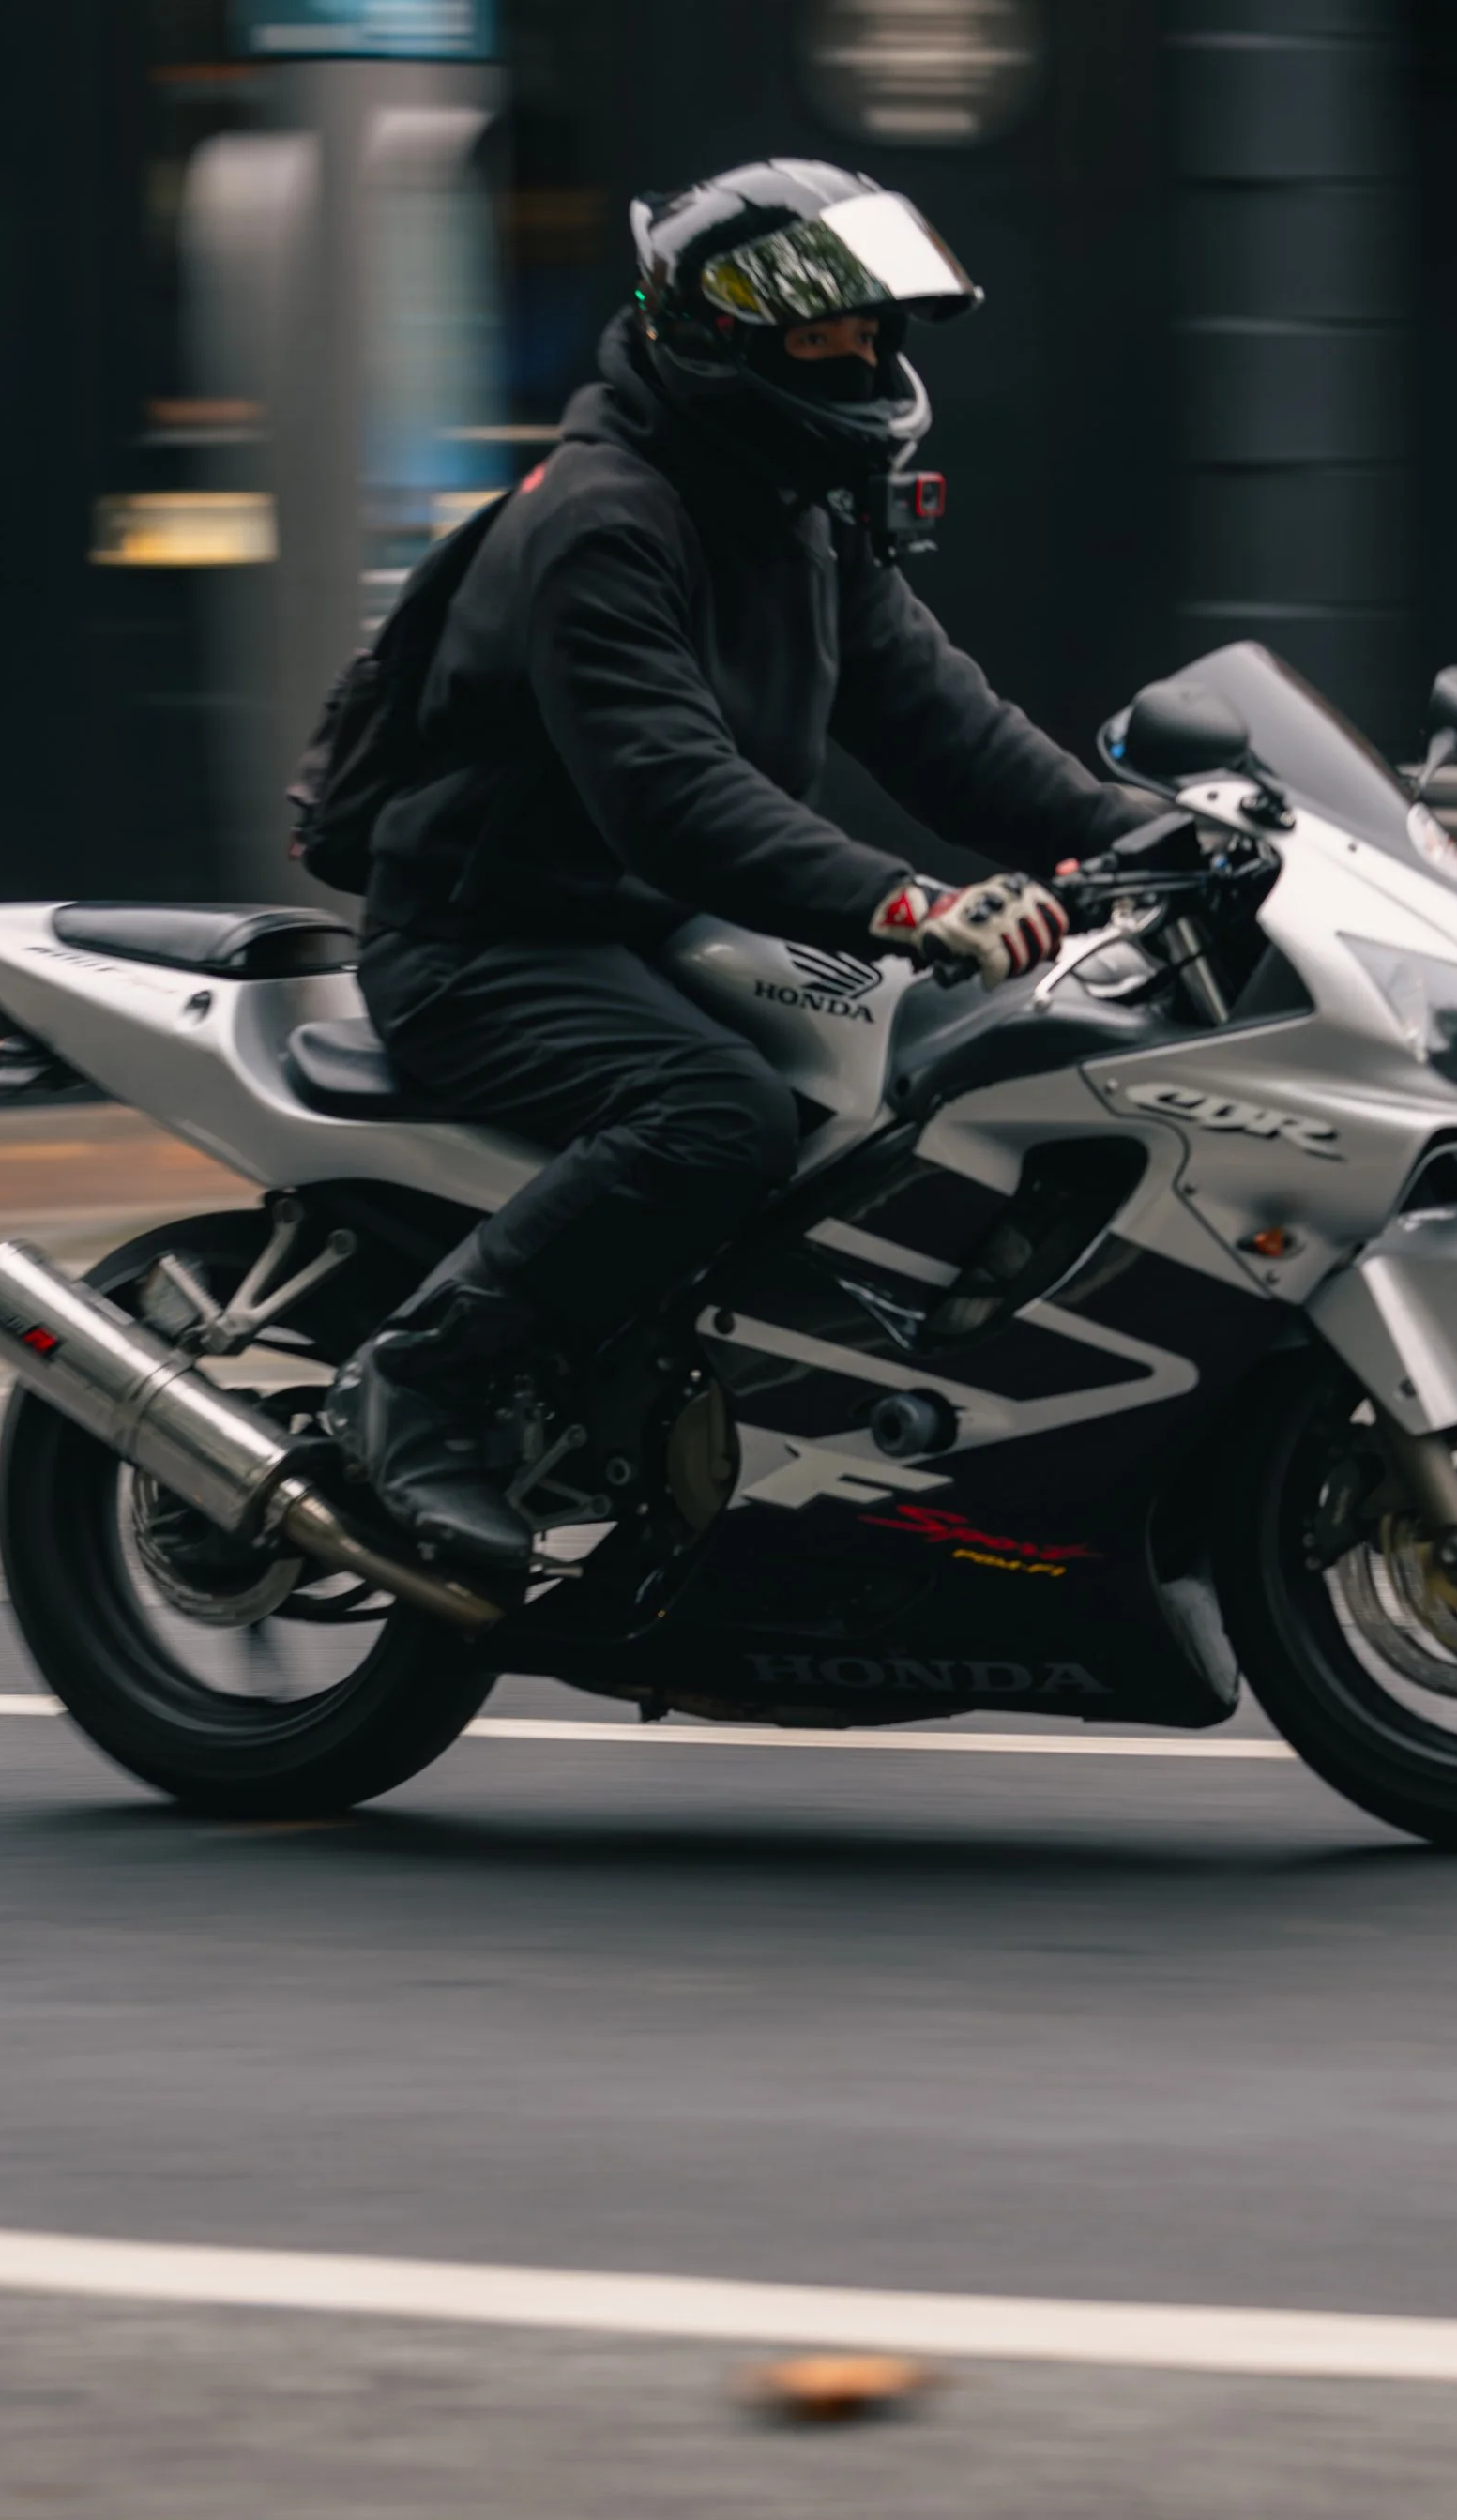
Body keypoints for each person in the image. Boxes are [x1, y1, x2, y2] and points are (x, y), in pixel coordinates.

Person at [325, 157, 1144, 1571]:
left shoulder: (798, 509)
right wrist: (909, 904)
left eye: (877, 333)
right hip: (486, 936)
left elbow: (947, 731)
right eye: (828, 335)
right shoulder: (604, 518)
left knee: (916, 1080)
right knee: (717, 1120)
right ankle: (420, 1383)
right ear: (721, 345)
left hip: (645, 920)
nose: (867, 359)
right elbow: (669, 791)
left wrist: (1143, 835)